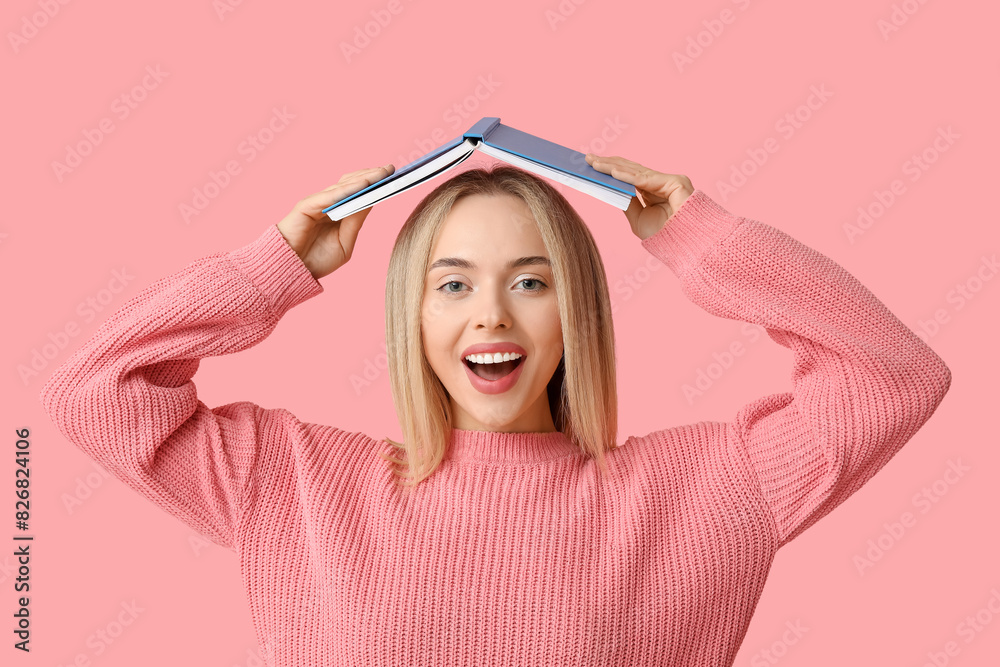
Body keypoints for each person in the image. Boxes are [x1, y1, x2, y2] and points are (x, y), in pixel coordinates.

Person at [39, 154, 952, 666]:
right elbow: (99, 393)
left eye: (529, 280)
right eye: (452, 283)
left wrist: (700, 237)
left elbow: (891, 378)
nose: (491, 313)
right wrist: (276, 265)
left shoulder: (705, 492)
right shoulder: (297, 484)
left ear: (576, 309)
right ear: (414, 313)